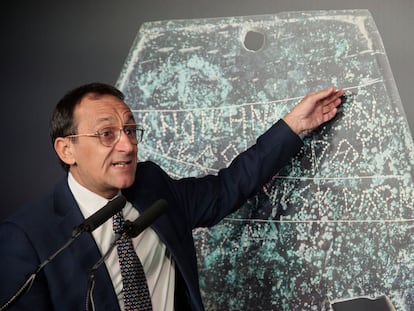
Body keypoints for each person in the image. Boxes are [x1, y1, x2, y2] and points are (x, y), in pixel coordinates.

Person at [0, 82, 344, 311]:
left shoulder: (153, 186)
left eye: (131, 131)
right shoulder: (27, 237)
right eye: (107, 133)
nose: (127, 144)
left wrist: (295, 125)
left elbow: (230, 187)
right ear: (66, 150)